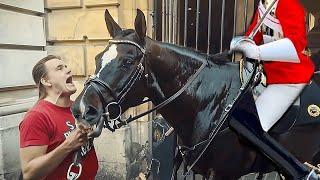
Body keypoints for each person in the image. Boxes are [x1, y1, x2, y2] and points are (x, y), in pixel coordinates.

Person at [230, 0, 317, 179]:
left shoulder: (288, 4)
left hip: (289, 78)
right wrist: (242, 43)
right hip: (269, 74)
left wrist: (258, 52)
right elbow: (254, 35)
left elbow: (296, 45)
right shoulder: (266, 3)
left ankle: (300, 173)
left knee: (251, 125)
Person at [19, 55, 98, 180]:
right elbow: (29, 173)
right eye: (59, 68)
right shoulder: (37, 117)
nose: (68, 70)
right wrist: (68, 145)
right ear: (46, 81)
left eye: (66, 67)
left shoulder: (78, 108)